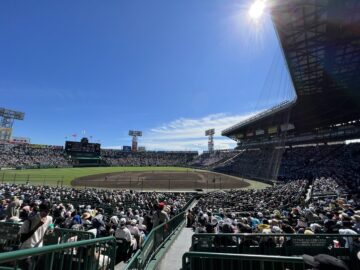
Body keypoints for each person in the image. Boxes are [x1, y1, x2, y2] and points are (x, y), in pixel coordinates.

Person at [19, 202, 53, 270]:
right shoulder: (30, 220)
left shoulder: (49, 218)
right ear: (40, 210)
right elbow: (22, 238)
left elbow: (51, 225)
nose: (46, 213)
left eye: (48, 211)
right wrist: (38, 225)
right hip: (27, 249)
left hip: (38, 248)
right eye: (44, 211)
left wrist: (51, 229)